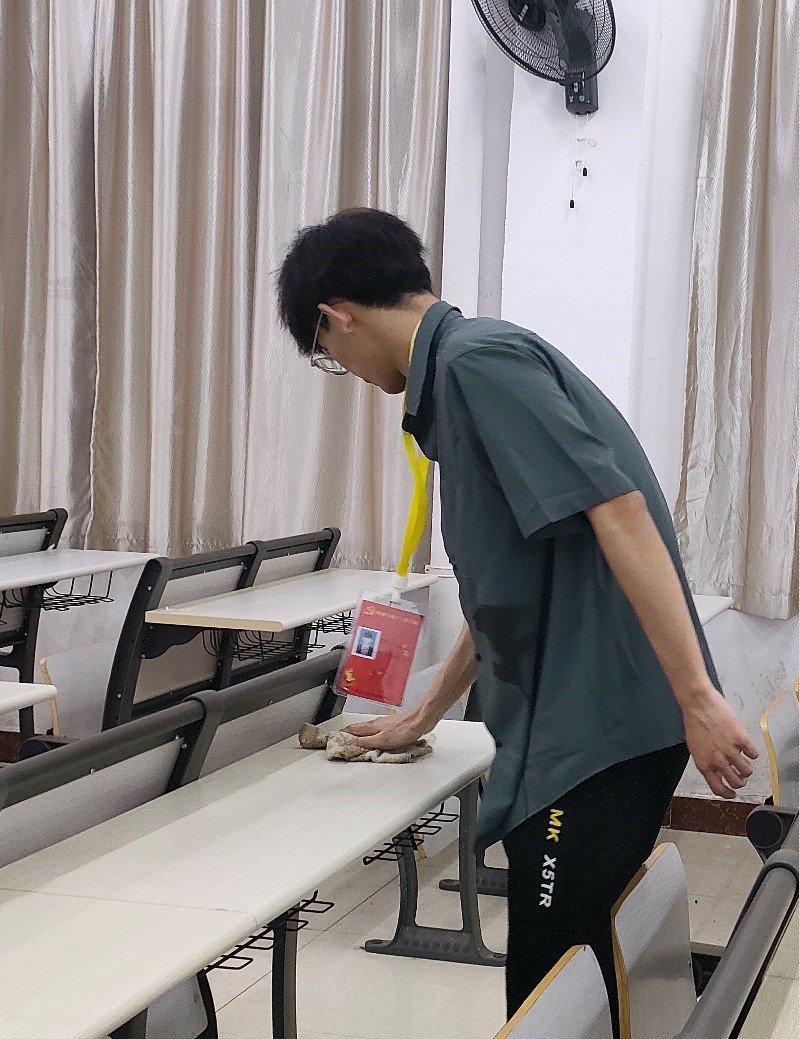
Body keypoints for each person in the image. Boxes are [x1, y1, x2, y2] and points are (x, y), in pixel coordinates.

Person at [276, 207, 757, 1021]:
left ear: (337, 315)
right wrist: (424, 711)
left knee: (551, 985)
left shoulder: (476, 365)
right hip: (582, 727)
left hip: (595, 733)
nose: (345, 370)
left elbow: (621, 512)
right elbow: (512, 582)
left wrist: (699, 697)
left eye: (328, 354)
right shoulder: (464, 373)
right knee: (577, 975)